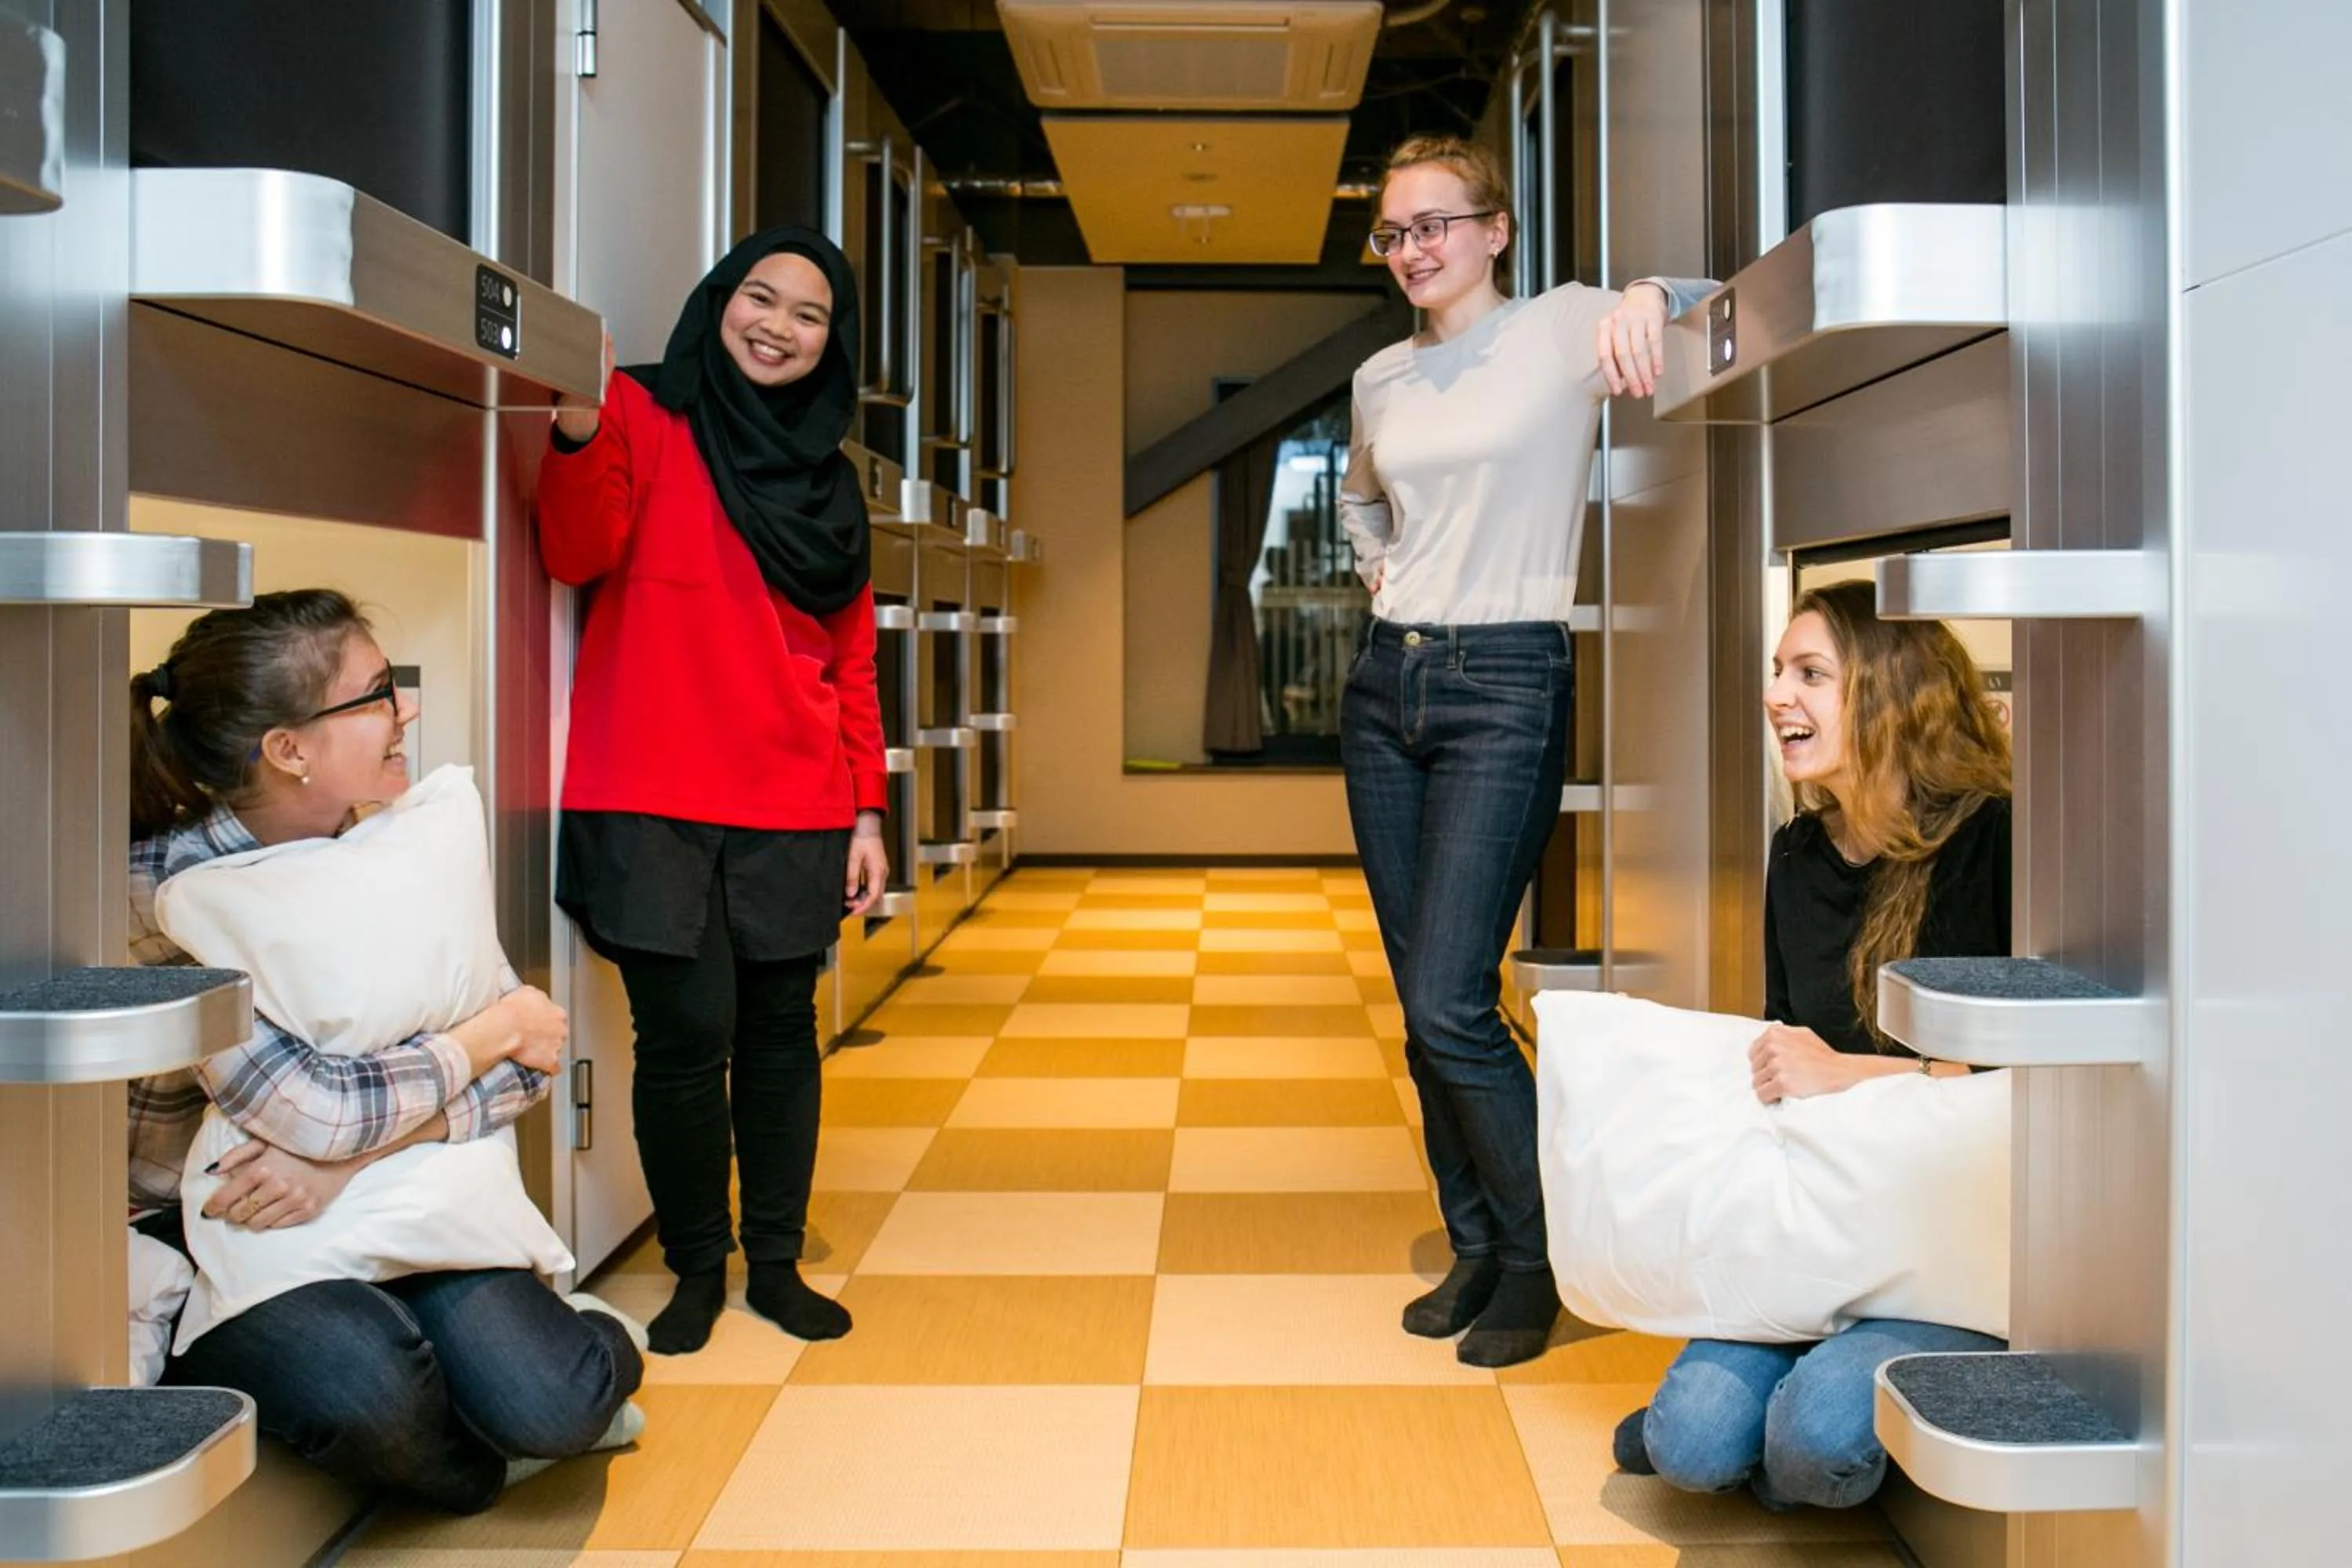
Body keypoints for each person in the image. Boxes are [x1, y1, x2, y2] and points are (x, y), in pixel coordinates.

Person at [128, 590, 645, 1515]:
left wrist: (360, 1155)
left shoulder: (392, 836)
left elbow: (532, 1066)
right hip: (223, 1217)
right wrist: (484, 1034)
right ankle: (465, 1454)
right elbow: (317, 1109)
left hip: (381, 1188)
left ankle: (546, 1348)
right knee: (369, 1390)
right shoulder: (168, 895)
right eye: (377, 694)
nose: (406, 709)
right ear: (289, 749)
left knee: (556, 1399)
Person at [1338, 132, 1715, 1367]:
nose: (1414, 250)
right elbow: (1359, 499)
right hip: (1386, 683)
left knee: (1455, 1001)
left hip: (1506, 678)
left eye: (1436, 224)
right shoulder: (1380, 378)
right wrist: (1373, 565)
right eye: (1394, 233)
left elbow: (1707, 306)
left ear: (1496, 230)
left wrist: (1655, 294)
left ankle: (1541, 1253)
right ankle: (1477, 1246)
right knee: (1422, 1000)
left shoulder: (1557, 329)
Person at [539, 226, 887, 1356]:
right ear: (719, 300)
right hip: (646, 789)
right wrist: (581, 430)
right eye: (761, 297)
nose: (777, 326)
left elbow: (850, 659)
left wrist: (868, 808)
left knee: (782, 1034)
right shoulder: (641, 410)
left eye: (809, 314)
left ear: (832, 344)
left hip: (795, 795)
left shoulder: (832, 484)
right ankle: (696, 1266)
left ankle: (776, 1267)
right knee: (684, 1038)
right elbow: (575, 552)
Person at [1613, 579, 2012, 1508]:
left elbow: (2023, 1075)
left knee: (1812, 1450)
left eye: (1810, 673)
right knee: (1692, 1446)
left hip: (1942, 1259)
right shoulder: (1797, 854)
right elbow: (1779, 1049)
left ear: (1889, 692)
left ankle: (1790, 1413)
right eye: (1777, 671)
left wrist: (1853, 1074)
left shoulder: (1994, 839)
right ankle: (1722, 1417)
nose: (1776, 693)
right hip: (1821, 1229)